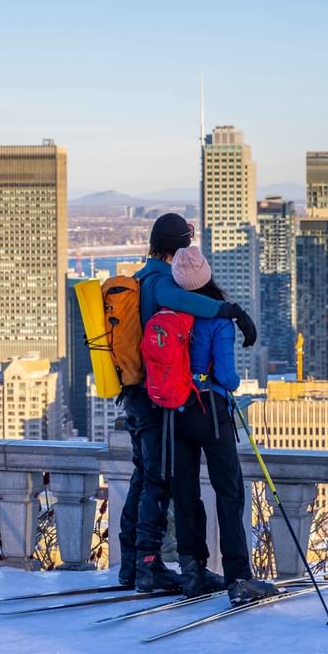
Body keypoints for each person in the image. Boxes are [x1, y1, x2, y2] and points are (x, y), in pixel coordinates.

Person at [119, 213, 258, 593]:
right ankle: (150, 568)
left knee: (147, 479)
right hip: (164, 399)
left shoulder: (139, 277)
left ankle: (135, 564)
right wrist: (228, 310)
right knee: (158, 483)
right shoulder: (164, 283)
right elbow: (179, 300)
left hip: (140, 394)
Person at [169, 245, 278, 604]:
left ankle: (192, 571)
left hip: (175, 411)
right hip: (211, 412)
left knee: (186, 492)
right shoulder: (219, 319)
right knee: (229, 492)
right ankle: (238, 578)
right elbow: (229, 378)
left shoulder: (169, 312)